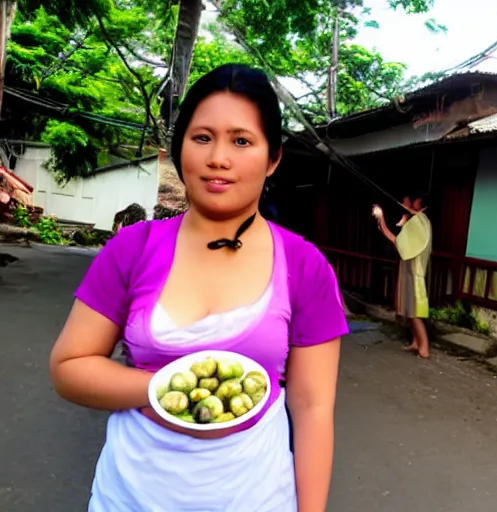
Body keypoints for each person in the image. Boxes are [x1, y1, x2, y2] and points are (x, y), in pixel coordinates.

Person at [49, 63, 349, 512]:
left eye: (242, 141)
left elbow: (311, 408)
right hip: (129, 496)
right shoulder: (132, 248)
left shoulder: (306, 268)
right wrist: (166, 389)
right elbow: (69, 367)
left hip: (257, 497)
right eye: (202, 137)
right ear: (180, 148)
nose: (218, 159)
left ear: (273, 159)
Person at [372, 194, 432, 359]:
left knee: (413, 311)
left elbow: (395, 240)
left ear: (424, 208)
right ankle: (415, 342)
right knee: (409, 310)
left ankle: (424, 348)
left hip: (414, 273)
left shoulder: (420, 222)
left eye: (415, 204)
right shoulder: (418, 222)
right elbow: (401, 240)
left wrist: (381, 218)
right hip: (410, 270)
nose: (411, 206)